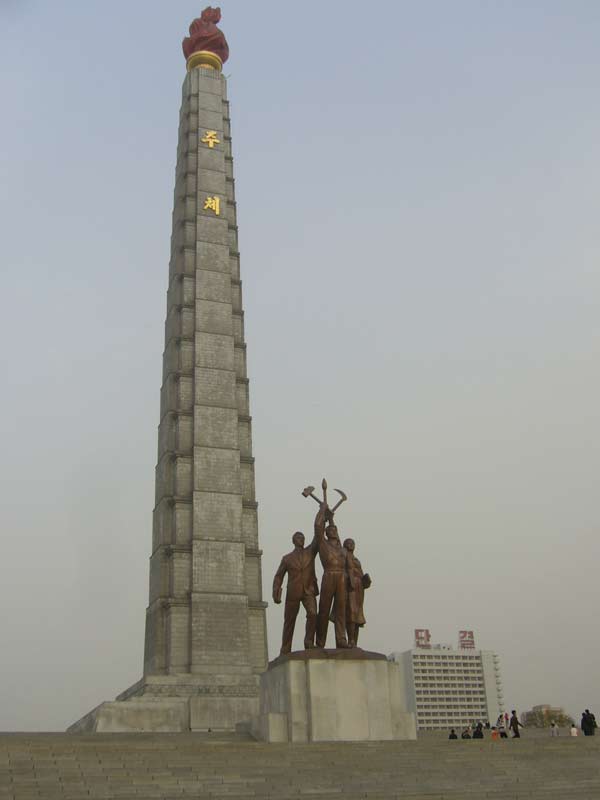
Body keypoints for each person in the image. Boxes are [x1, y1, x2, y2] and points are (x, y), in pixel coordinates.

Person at [272, 507, 321, 654]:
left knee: (313, 614)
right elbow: (278, 576)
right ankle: (285, 647)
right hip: (293, 591)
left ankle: (308, 641)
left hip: (309, 590)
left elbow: (318, 535)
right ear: (294, 541)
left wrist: (322, 514)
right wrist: (276, 591)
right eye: (299, 538)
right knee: (289, 621)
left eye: (303, 538)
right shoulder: (287, 558)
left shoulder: (310, 552)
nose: (302, 540)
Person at [315, 507, 349, 648]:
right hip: (329, 575)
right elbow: (318, 527)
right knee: (323, 610)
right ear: (326, 533)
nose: (333, 531)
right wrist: (322, 512)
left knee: (341, 610)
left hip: (341, 577)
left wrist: (331, 518)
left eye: (335, 530)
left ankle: (341, 639)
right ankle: (320, 642)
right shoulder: (323, 544)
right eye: (330, 530)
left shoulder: (342, 549)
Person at [341, 538, 371, 647]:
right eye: (349, 543)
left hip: (359, 588)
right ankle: (350, 640)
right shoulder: (343, 557)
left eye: (353, 543)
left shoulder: (357, 560)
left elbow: (360, 573)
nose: (351, 545)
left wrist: (365, 580)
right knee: (351, 613)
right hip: (349, 587)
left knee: (358, 615)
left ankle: (355, 642)